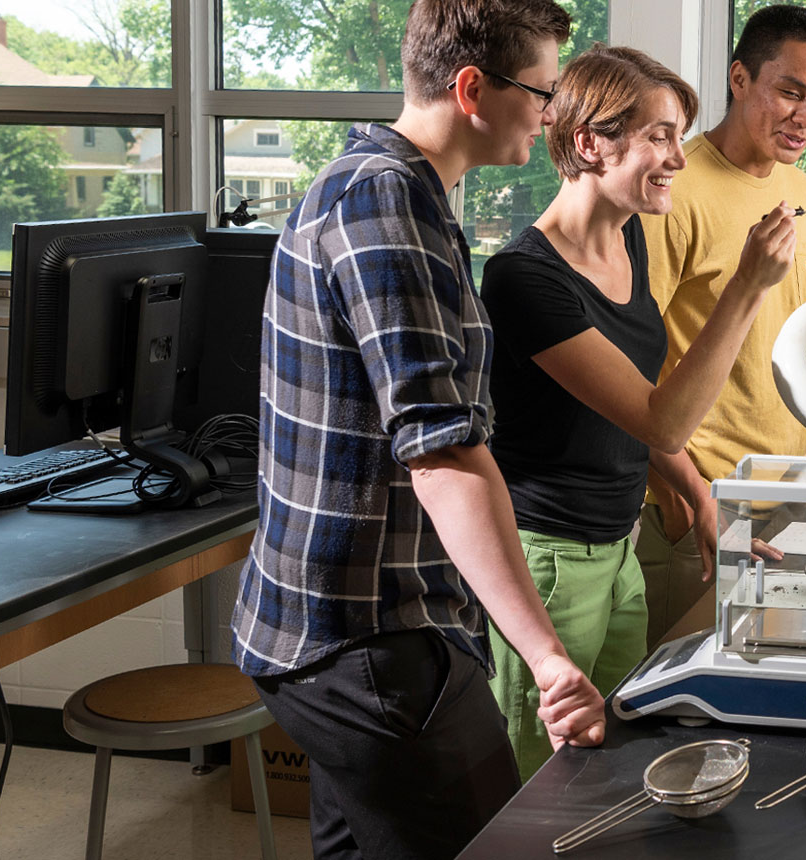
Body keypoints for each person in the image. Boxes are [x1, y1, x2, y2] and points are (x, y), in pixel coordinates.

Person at [231, 1, 607, 856]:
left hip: (355, 627)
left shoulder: (411, 192)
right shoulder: (384, 202)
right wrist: (544, 657)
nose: (550, 115)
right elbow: (441, 453)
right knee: (497, 844)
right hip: (364, 641)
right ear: (474, 88)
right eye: (543, 93)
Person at [479, 46, 797, 778]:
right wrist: (747, 285)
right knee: (542, 780)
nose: (677, 158)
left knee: (614, 757)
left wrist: (698, 493)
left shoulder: (628, 243)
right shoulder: (524, 278)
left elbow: (629, 411)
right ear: (590, 142)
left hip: (619, 552)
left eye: (676, 135)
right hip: (550, 565)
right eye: (658, 136)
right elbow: (663, 419)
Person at [634, 4, 806, 644]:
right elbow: (621, 374)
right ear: (739, 79)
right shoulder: (672, 191)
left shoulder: (800, 188)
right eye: (790, 92)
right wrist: (691, 495)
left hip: (785, 498)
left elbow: (794, 328)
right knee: (672, 711)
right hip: (698, 508)